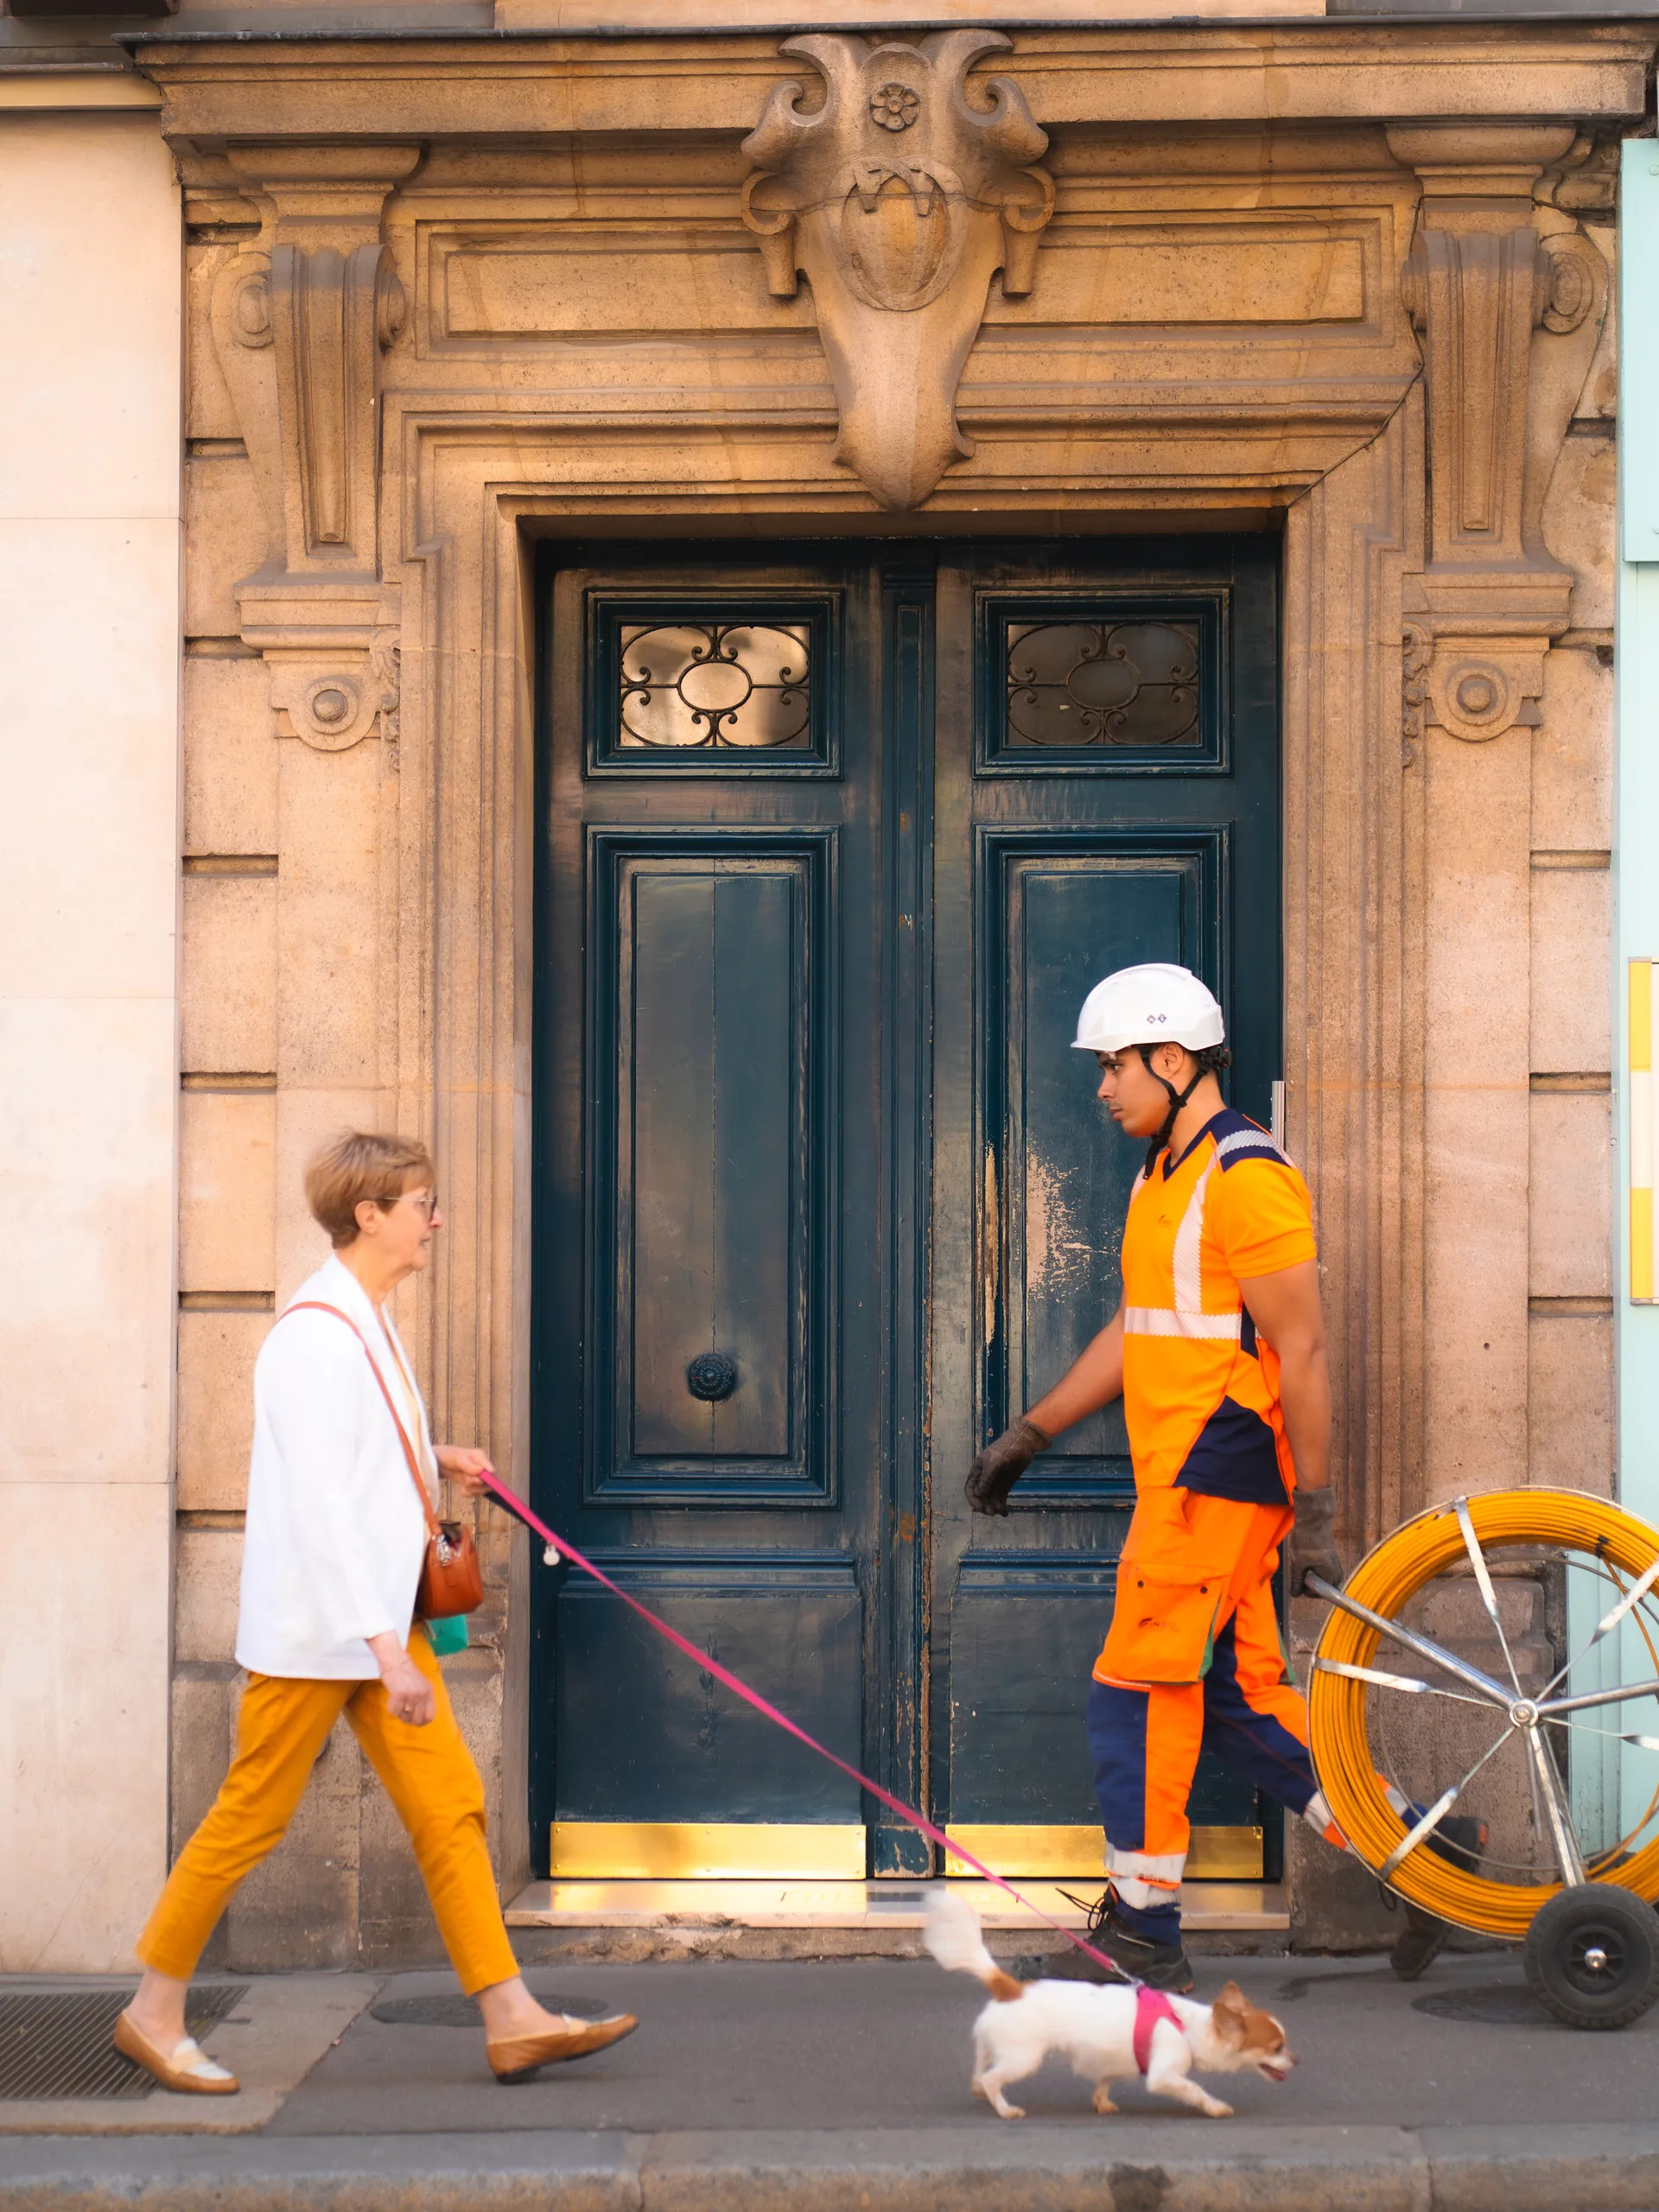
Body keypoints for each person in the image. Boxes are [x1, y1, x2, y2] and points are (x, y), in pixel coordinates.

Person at [964, 964, 1473, 1990]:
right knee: (1239, 1697)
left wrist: (1317, 1508)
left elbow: (1305, 1350)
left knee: (1135, 1691)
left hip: (1215, 1477)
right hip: (1185, 1477)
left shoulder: (1248, 1176)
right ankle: (1429, 1851)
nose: (1103, 1086)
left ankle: (1144, 1928)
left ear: (1173, 1058)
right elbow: (1138, 1327)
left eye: (1115, 1064)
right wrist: (1031, 1431)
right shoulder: (1164, 1174)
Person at [115, 1130, 638, 2092]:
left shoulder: (363, 1319)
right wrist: (385, 1650)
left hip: (374, 1625)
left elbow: (349, 1454)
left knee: (451, 1811)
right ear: (370, 1215)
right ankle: (152, 2011)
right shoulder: (316, 1335)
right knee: (250, 1816)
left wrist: (433, 1456)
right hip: (325, 1635)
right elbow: (320, 1506)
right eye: (422, 1205)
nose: (436, 1220)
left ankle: (512, 2018)